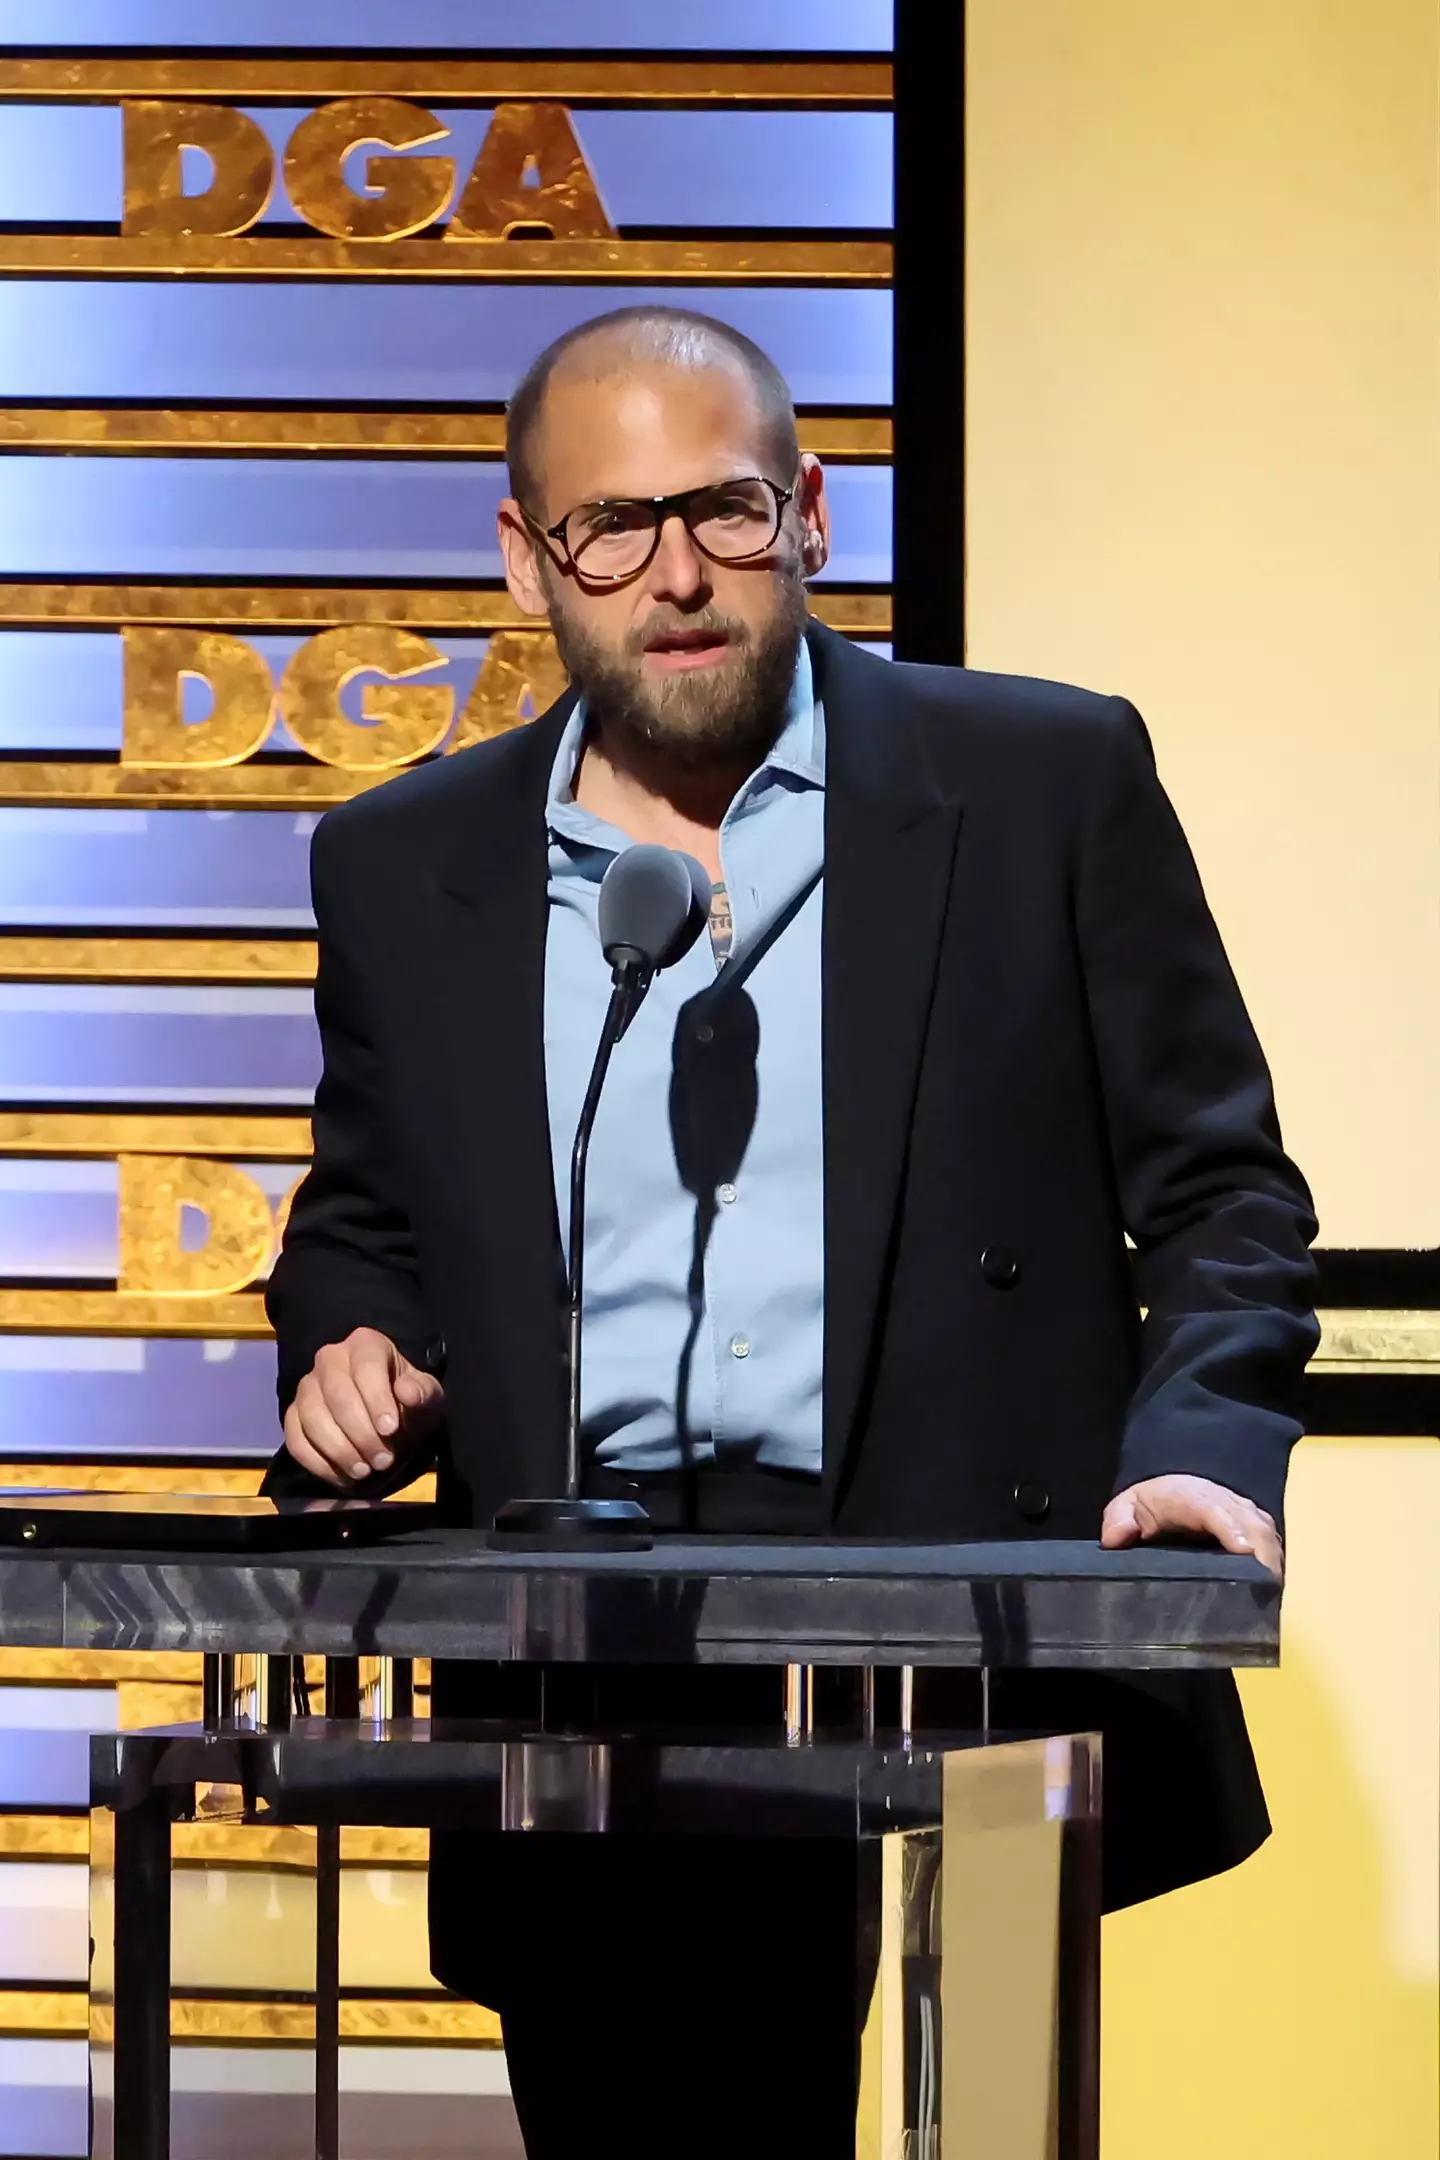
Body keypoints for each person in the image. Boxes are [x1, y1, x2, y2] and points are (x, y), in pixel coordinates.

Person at [263, 305, 1319, 2156]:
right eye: (610, 530)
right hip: (583, 1660)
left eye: (726, 514)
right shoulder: (403, 862)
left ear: (812, 513)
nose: (676, 577)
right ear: (527, 559)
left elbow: (1224, 1188)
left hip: (961, 1633)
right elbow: (369, 1224)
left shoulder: (1041, 786)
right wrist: (349, 1348)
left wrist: (1204, 1454)